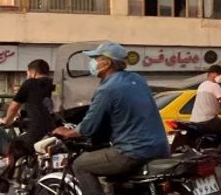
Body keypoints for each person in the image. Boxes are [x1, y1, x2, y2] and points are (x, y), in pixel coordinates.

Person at [52, 42, 169, 195]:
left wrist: (68, 132)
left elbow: (88, 128)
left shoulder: (107, 89)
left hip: (133, 151)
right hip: (160, 147)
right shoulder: (138, 79)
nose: (92, 62)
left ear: (107, 63)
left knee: (80, 165)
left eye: (96, 58)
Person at [0, 59, 54, 148]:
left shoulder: (29, 83)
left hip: (37, 129)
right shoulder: (54, 84)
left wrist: (6, 121)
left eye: (27, 73)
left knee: (13, 147)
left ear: (33, 72)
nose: (27, 76)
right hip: (55, 128)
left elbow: (14, 107)